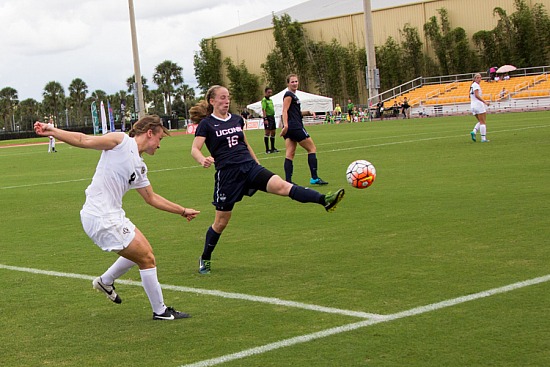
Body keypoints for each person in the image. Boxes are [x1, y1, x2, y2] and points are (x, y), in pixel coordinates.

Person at [33, 115, 200, 320]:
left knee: (140, 252)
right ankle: (161, 312)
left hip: (112, 215)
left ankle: (105, 281)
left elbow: (151, 198)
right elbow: (83, 140)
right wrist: (52, 130)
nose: (159, 145)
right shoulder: (121, 141)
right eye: (160, 139)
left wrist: (182, 211)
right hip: (100, 215)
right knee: (147, 258)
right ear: (149, 133)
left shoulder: (140, 166)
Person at [189, 85, 345, 274]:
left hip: (250, 168)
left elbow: (245, 143)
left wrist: (257, 164)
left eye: (228, 97)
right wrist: (202, 159)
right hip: (228, 176)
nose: (226, 101)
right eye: (222, 98)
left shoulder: (237, 120)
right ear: (212, 101)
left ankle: (324, 200)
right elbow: (195, 149)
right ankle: (205, 258)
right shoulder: (207, 124)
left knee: (282, 186)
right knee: (221, 222)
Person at [281, 74, 329, 185]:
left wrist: (307, 112)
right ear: (288, 84)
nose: (295, 83)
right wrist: (286, 125)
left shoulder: (294, 96)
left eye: (296, 81)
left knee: (290, 153)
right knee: (312, 148)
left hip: (291, 127)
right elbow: (284, 110)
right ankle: (314, 178)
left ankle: (288, 182)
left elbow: (295, 113)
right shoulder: (288, 95)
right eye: (292, 82)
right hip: (295, 127)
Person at [469, 73, 491, 143]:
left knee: (480, 121)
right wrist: (485, 102)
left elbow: (471, 96)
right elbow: (476, 95)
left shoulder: (472, 85)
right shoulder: (476, 85)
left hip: (473, 105)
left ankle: (474, 131)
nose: (479, 79)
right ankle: (483, 138)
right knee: (483, 122)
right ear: (475, 79)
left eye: (480, 78)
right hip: (478, 105)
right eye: (478, 78)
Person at [261, 87, 279, 154]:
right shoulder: (264, 100)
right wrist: (265, 118)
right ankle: (267, 149)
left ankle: (273, 148)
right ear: (265, 92)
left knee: (273, 132)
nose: (270, 94)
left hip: (272, 117)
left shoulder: (270, 100)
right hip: (268, 117)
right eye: (268, 92)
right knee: (267, 132)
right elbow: (264, 110)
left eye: (271, 92)